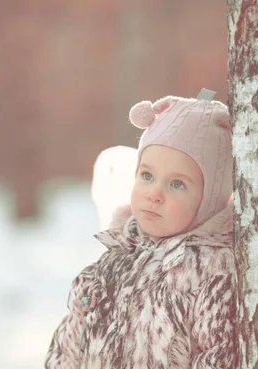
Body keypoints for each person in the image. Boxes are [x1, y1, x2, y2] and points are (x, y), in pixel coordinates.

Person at [46, 90, 238, 369]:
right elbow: (71, 339)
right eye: (147, 176)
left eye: (177, 184)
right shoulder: (117, 254)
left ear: (209, 199)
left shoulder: (211, 268)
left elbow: (218, 354)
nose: (154, 194)